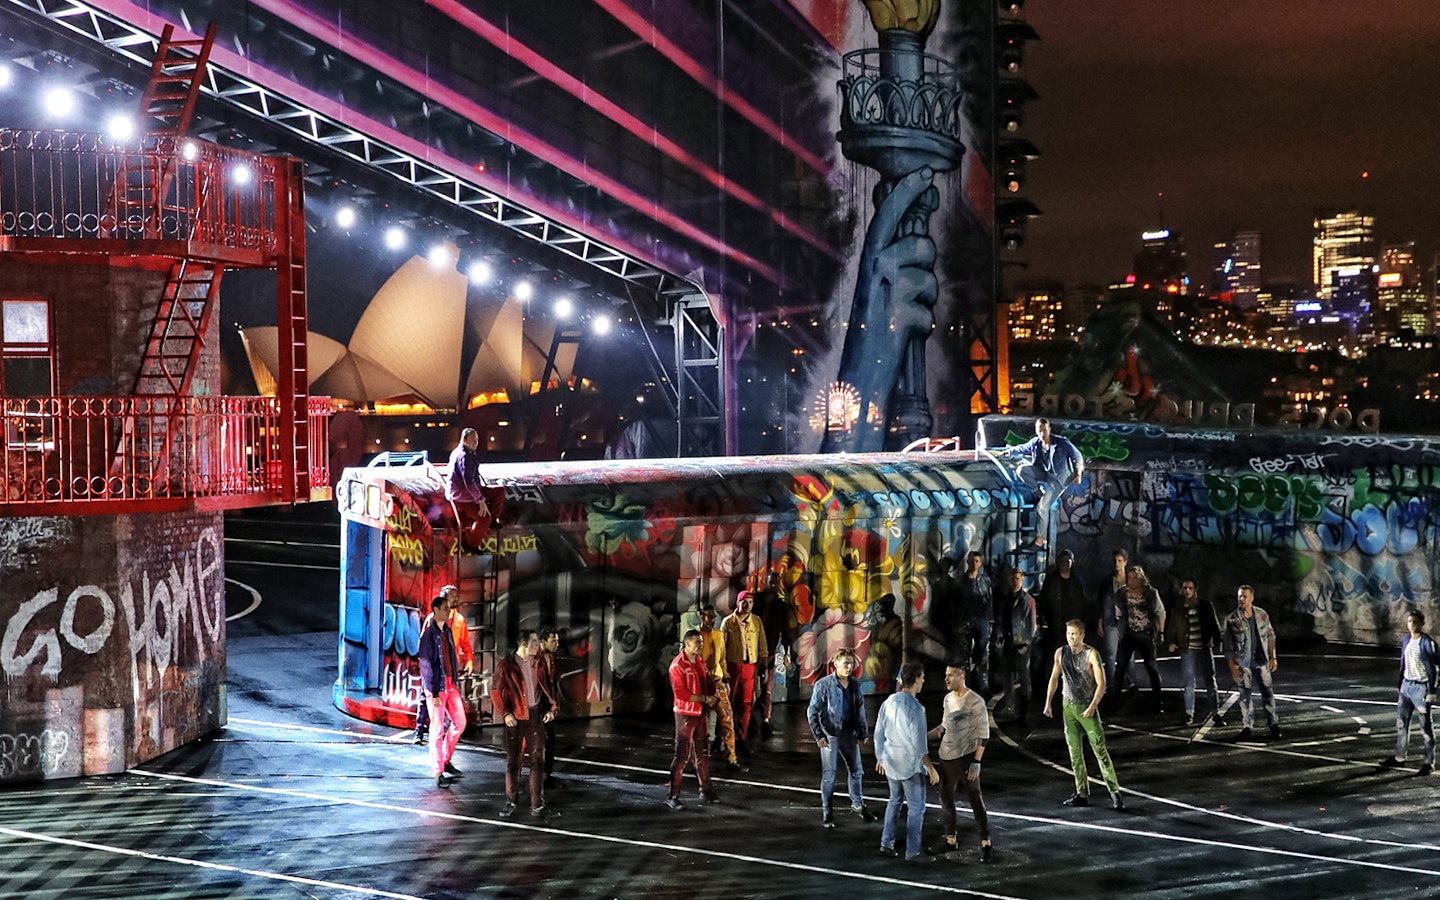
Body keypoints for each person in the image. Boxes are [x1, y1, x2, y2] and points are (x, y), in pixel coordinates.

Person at [1043, 619, 1125, 810]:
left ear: (1082, 635)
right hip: (1068, 707)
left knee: (1099, 750)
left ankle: (1115, 792)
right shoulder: (1060, 653)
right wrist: (1048, 703)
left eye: (1074, 634)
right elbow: (1054, 678)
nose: (1071, 637)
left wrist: (1093, 706)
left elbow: (1101, 684)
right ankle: (1081, 793)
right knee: (1075, 753)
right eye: (1068, 633)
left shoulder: (1091, 654)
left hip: (1087, 707)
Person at [874, 661, 941, 861]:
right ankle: (913, 851)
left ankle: (886, 842)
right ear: (915, 680)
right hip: (909, 766)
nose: (923, 683)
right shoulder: (917, 709)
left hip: (891, 762)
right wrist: (930, 767)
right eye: (921, 679)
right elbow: (919, 745)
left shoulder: (889, 702)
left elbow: (879, 733)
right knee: (916, 808)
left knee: (894, 801)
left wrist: (880, 757)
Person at [928, 663, 992, 861]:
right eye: (945, 675)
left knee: (974, 797)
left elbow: (984, 734)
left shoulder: (975, 701)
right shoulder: (948, 699)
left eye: (950, 675)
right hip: (947, 757)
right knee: (946, 799)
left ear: (961, 676)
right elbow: (944, 727)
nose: (946, 679)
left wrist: (976, 761)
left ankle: (985, 842)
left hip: (966, 758)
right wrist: (923, 737)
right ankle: (950, 839)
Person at [491, 630, 558, 817]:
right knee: (514, 761)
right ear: (523, 643)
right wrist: (505, 713)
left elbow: (548, 686)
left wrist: (552, 709)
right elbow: (495, 690)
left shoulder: (539, 663)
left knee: (538, 761)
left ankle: (537, 805)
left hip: (535, 716)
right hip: (516, 717)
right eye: (534, 642)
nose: (538, 646)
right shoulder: (506, 665)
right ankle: (511, 801)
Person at [807, 647, 874, 827]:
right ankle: (827, 813)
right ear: (835, 664)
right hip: (831, 734)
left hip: (849, 733)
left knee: (856, 770)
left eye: (851, 663)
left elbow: (860, 709)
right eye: (846, 663)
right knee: (830, 775)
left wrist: (862, 732)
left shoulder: (855, 684)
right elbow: (812, 711)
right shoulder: (824, 685)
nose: (849, 667)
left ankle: (857, 805)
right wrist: (819, 735)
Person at [997, 417, 1084, 550]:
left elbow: (1077, 456)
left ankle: (1040, 540)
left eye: (1044, 430)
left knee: (1043, 507)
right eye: (1039, 430)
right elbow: (1022, 448)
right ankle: (1037, 490)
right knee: (1021, 470)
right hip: (1045, 473)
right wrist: (1008, 452)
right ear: (1036, 431)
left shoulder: (1061, 443)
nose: (1042, 433)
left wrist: (1078, 473)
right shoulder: (1036, 442)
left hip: (1060, 478)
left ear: (1049, 429)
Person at [417, 589, 466, 788]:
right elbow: (426, 664)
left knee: (460, 722)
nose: (448, 611)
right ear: (436, 610)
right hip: (436, 687)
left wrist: (454, 677)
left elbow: (451, 656)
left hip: (449, 683)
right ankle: (438, 771)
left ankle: (445, 759)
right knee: (437, 729)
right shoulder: (430, 635)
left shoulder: (446, 631)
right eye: (444, 608)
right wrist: (434, 692)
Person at [666, 629, 720, 809]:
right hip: (686, 714)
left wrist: (715, 687)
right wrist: (704, 698)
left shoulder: (699, 661)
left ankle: (705, 789)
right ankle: (673, 795)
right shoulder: (677, 666)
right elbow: (681, 693)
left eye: (701, 642)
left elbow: (706, 681)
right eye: (697, 642)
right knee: (682, 755)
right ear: (686, 644)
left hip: (700, 713)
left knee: (703, 753)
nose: (700, 645)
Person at [1380, 609, 1438, 775]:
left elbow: (1435, 667)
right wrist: (1401, 685)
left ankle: (1428, 762)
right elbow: (1403, 664)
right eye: (1409, 622)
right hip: (1406, 686)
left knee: (1425, 727)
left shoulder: (1428, 643)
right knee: (1401, 724)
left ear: (1422, 623)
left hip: (1420, 688)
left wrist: (1432, 689)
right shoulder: (1406, 640)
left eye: (1415, 622)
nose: (1412, 625)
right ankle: (1399, 757)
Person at [415, 585, 472, 745]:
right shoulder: (431, 621)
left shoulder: (459, 620)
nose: (456, 598)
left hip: (450, 671)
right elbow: (423, 644)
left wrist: (468, 659)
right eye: (452, 596)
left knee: (450, 704)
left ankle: (449, 736)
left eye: (456, 595)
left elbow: (465, 643)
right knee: (425, 699)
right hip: (434, 669)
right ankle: (419, 730)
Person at [1222, 585, 1281, 740]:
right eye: (1240, 596)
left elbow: (1270, 635)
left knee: (1267, 693)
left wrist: (1273, 657)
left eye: (1245, 596)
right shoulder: (1232, 619)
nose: (1242, 599)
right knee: (1245, 696)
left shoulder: (1262, 615)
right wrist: (1233, 668)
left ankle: (1273, 724)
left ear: (1252, 598)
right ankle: (1247, 726)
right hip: (1243, 664)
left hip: (1261, 661)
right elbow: (1227, 647)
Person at [1164, 578, 1224, 726]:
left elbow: (1213, 624)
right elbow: (1171, 626)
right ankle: (1189, 713)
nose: (1187, 591)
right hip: (1187, 648)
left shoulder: (1205, 605)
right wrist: (1171, 641)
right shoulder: (1177, 608)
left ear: (1195, 589)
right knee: (1189, 682)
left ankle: (1215, 713)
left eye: (1190, 588)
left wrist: (1218, 641)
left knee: (1210, 680)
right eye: (1185, 588)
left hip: (1204, 647)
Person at [1110, 564, 1166, 713]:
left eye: (1135, 578)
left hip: (1146, 634)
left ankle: (1158, 702)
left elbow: (1161, 612)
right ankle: (1114, 702)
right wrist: (1118, 625)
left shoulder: (1151, 593)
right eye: (1130, 578)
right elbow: (1118, 612)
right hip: (1129, 634)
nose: (1132, 581)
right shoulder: (1122, 593)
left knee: (1152, 668)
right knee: (1120, 667)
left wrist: (1161, 632)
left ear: (1141, 578)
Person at [698, 604, 744, 773]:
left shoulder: (718, 635)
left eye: (714, 617)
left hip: (717, 683)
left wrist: (725, 678)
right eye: (709, 617)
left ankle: (732, 757)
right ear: (702, 616)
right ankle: (701, 757)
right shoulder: (695, 636)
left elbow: (722, 659)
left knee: (727, 719)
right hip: (701, 685)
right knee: (701, 723)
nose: (712, 620)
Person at [723, 590, 768, 754]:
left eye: (750, 602)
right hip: (733, 666)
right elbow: (722, 648)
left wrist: (763, 668)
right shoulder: (728, 622)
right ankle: (724, 739)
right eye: (744, 602)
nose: (747, 605)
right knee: (728, 704)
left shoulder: (756, 622)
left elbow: (762, 645)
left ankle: (741, 739)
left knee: (746, 704)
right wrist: (723, 672)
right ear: (738, 603)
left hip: (750, 667)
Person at [1036, 549, 1088, 684]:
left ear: (1072, 563)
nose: (1064, 564)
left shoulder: (1077, 581)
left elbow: (1082, 603)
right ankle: (1051, 684)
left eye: (1067, 561)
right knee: (1053, 655)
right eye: (1062, 561)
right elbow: (1044, 601)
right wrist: (1044, 621)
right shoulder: (1051, 581)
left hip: (1072, 625)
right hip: (1055, 624)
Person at [996, 567, 1039, 726]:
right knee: (1007, 676)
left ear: (1022, 580)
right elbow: (1001, 619)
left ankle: (1024, 711)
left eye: (1017, 579)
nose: (1015, 582)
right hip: (1008, 642)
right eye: (1012, 579)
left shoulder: (1028, 600)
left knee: (1023, 677)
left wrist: (1027, 642)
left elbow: (1032, 624)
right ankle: (1010, 704)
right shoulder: (1006, 598)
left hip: (1021, 644)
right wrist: (1000, 635)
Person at [446, 427, 496, 552]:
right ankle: (471, 544)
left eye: (477, 440)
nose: (476, 442)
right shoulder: (464, 456)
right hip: (461, 495)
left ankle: (492, 519)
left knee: (499, 491)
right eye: (473, 440)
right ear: (464, 440)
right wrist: (480, 501)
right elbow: (468, 482)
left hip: (469, 492)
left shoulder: (466, 453)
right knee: (484, 519)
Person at [752, 572, 789, 739]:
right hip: (752, 652)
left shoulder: (781, 606)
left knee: (767, 689)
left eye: (776, 583)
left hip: (770, 653)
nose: (773, 586)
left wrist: (787, 652)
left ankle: (766, 720)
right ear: (765, 583)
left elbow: (786, 631)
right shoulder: (755, 601)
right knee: (752, 689)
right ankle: (751, 719)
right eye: (771, 582)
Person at [955, 551, 994, 694]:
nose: (974, 564)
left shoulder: (985, 581)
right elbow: (955, 603)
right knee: (964, 655)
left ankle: (982, 683)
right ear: (968, 562)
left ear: (980, 563)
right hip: (965, 621)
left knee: (982, 653)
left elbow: (989, 601)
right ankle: (965, 683)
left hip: (981, 621)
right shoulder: (960, 581)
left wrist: (990, 621)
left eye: (977, 561)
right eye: (972, 561)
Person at [1096, 549, 1128, 689]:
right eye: (1115, 561)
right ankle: (1112, 684)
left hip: (1127, 622)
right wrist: (1100, 622)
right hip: (1110, 620)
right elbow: (1101, 602)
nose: (1117, 564)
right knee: (1110, 655)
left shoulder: (1131, 580)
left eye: (1120, 561)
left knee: (1128, 655)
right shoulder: (1107, 582)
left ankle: (1129, 684)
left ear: (1125, 562)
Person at [540, 627, 562, 788]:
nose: (557, 644)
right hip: (537, 704)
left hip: (548, 704)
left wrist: (555, 705)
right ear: (543, 642)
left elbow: (553, 684)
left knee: (550, 740)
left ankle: (546, 774)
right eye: (553, 641)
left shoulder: (552, 658)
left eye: (557, 641)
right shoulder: (536, 659)